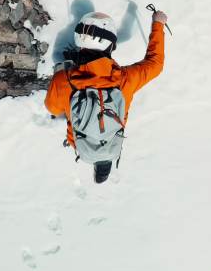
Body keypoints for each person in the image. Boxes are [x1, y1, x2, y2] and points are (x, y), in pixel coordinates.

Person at [45, 9, 167, 183]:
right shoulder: (125, 80)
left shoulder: (63, 80)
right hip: (112, 138)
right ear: (111, 43)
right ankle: (104, 167)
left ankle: (99, 158)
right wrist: (158, 24)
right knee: (107, 141)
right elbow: (155, 64)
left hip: (79, 142)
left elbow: (52, 108)